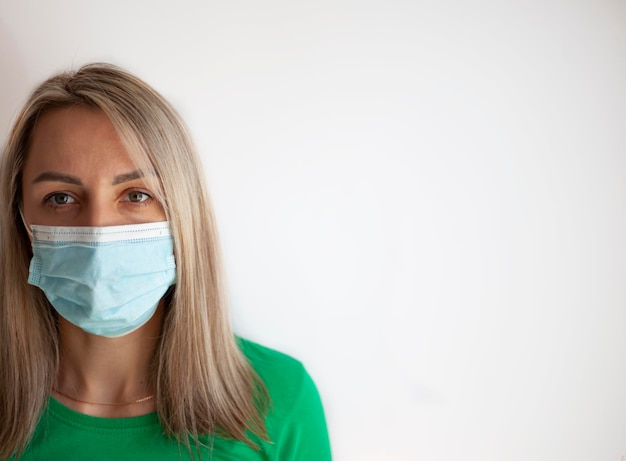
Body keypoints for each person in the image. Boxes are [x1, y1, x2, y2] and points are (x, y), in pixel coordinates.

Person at [0, 63, 332, 460]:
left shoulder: (279, 402)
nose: (98, 230)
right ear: (22, 220)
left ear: (183, 215)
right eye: (61, 198)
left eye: (136, 195)